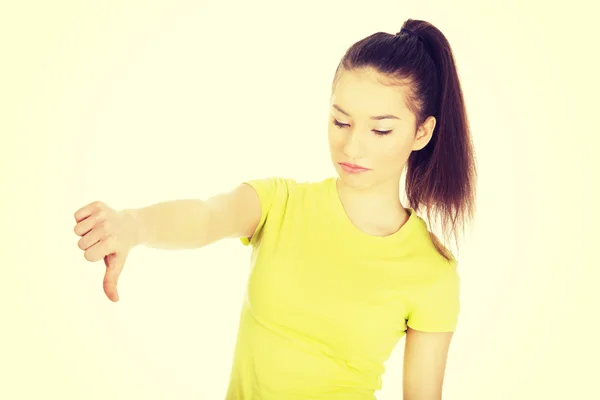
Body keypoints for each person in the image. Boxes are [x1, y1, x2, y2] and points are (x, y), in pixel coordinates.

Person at [73, 18, 476, 400]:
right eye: (340, 122)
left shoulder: (431, 272)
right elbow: (206, 216)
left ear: (421, 132)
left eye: (380, 129)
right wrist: (131, 225)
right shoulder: (279, 203)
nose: (353, 147)